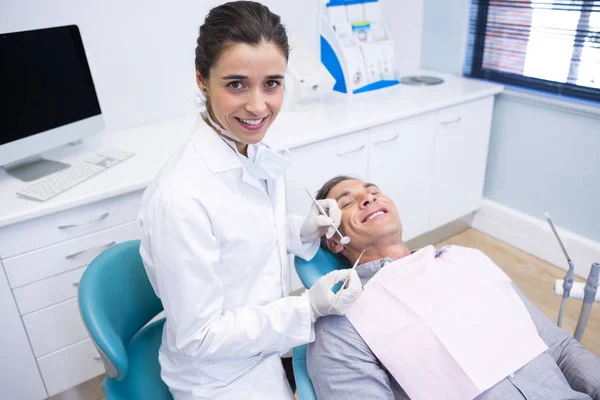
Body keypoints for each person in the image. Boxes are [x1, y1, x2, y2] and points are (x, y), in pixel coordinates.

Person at [137, 4, 362, 399]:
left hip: (259, 349)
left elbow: (244, 239)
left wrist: (301, 228)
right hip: (217, 377)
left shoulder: (246, 148)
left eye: (271, 83)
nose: (258, 106)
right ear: (202, 80)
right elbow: (199, 338)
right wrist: (307, 308)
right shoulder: (179, 200)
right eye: (236, 84)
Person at [306, 176, 600, 400]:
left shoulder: (467, 260)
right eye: (347, 203)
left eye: (373, 191)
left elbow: (560, 349)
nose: (368, 199)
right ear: (333, 240)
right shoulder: (341, 323)